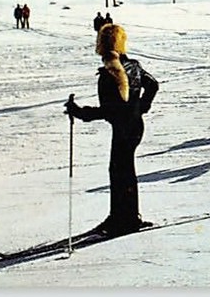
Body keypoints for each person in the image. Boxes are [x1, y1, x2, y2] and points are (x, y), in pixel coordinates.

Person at [65, 23, 160, 236]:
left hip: (124, 128)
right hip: (135, 126)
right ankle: (127, 216)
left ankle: (122, 218)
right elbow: (153, 85)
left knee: (119, 170)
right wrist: (141, 107)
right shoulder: (134, 65)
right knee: (124, 170)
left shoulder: (109, 74)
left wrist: (78, 112)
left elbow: (108, 111)